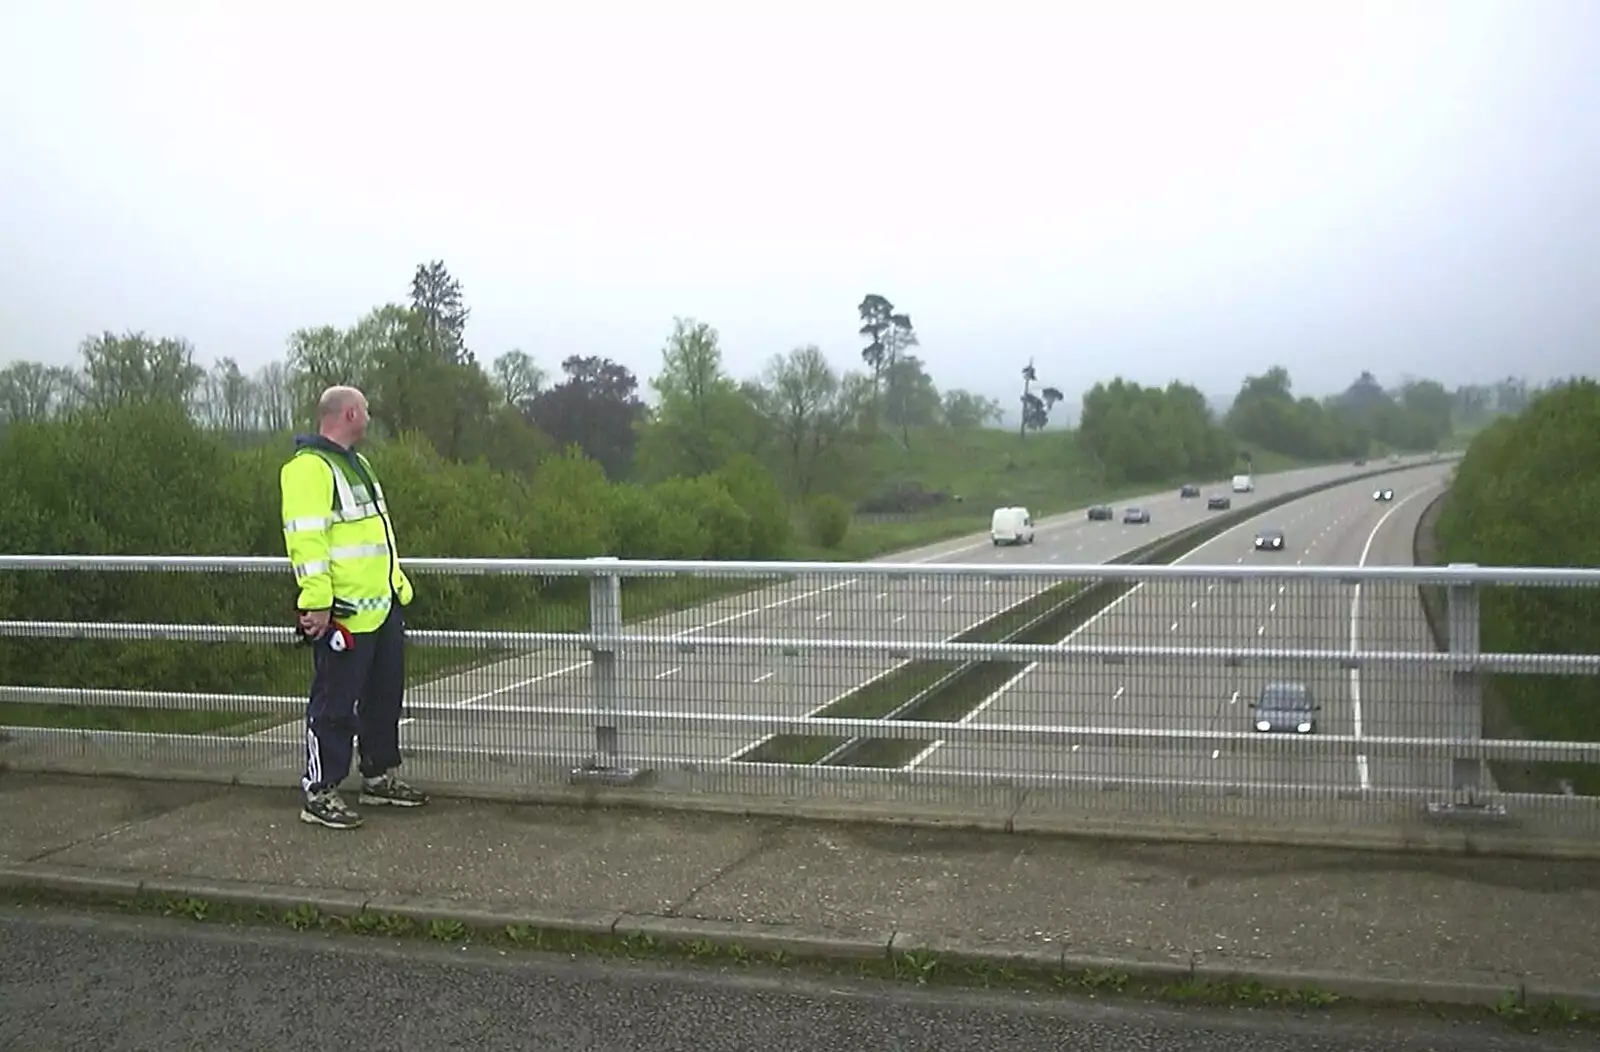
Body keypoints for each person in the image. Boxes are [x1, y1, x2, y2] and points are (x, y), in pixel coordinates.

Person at [280, 385, 429, 828]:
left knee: (384, 698)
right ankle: (320, 791)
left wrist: (395, 588)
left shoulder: (357, 464)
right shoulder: (308, 469)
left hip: (381, 607)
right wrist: (317, 603)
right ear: (349, 414)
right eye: (364, 409)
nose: (369, 415)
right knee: (334, 704)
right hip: (343, 612)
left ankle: (378, 776)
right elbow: (306, 541)